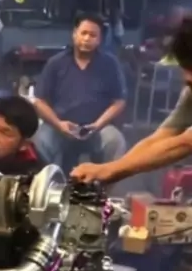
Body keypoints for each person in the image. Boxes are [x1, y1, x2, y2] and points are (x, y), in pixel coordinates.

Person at [72, 15, 192, 186]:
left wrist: (112, 170)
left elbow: (185, 143)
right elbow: (158, 139)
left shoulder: (109, 64)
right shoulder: (191, 92)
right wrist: (110, 170)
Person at [34, 13, 127, 174]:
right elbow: (39, 101)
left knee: (115, 141)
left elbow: (119, 101)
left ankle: (104, 186)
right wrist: (58, 124)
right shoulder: (56, 63)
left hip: (97, 128)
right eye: (83, 33)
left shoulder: (109, 64)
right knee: (40, 140)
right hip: (59, 126)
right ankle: (46, 184)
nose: (87, 38)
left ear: (99, 40)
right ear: (74, 34)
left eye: (93, 35)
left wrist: (97, 125)